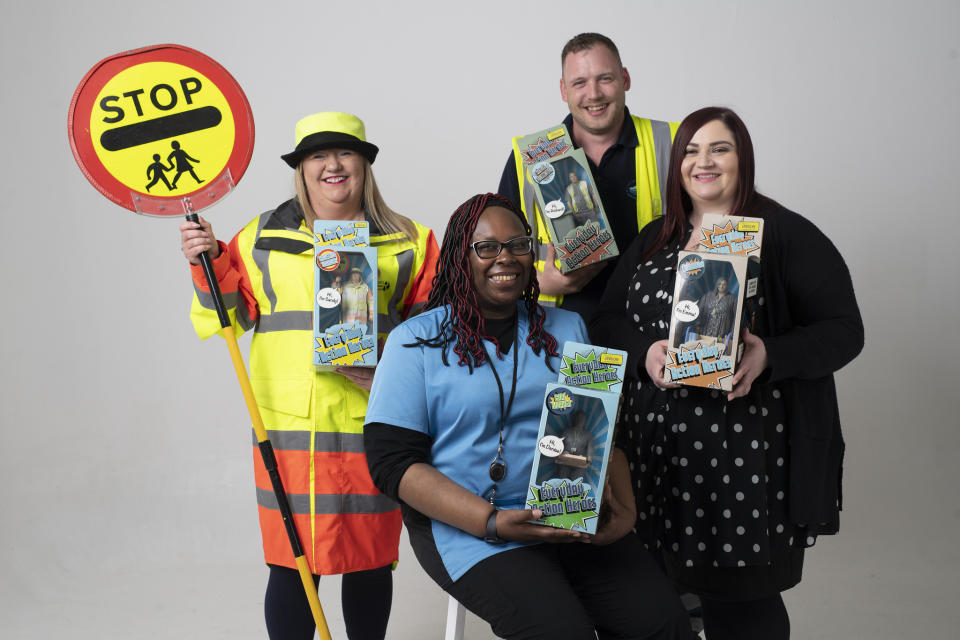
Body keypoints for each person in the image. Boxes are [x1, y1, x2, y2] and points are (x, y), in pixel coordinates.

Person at [590, 107, 864, 639]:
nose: (703, 161)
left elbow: (844, 330)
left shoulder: (782, 233)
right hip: (656, 462)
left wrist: (770, 356)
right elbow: (605, 320)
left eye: (720, 148)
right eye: (691, 150)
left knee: (741, 612)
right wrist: (646, 352)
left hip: (745, 467)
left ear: (744, 159)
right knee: (653, 603)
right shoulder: (655, 238)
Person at [364, 193, 689, 640]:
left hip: (567, 516)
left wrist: (626, 508)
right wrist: (491, 521)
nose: (507, 258)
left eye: (518, 244)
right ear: (461, 256)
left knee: (664, 624)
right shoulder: (414, 343)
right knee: (560, 632)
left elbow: (599, 432)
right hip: (471, 530)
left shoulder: (567, 328)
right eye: (487, 247)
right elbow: (392, 466)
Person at [179, 111, 439, 640]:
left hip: (375, 425)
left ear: (365, 164)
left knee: (369, 561)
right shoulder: (258, 238)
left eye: (345, 153)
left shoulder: (411, 240)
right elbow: (232, 317)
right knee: (292, 563)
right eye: (317, 155)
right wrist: (206, 261)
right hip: (289, 432)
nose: (332, 165)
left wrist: (388, 365)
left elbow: (436, 337)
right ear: (300, 168)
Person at [498, 32, 678, 320]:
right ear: (563, 90)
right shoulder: (530, 157)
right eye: (579, 82)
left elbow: (715, 228)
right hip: (561, 333)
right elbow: (495, 257)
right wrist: (538, 282)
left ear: (625, 79)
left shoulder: (674, 142)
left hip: (652, 332)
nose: (593, 94)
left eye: (605, 78)